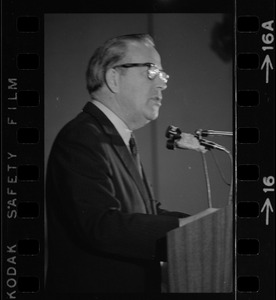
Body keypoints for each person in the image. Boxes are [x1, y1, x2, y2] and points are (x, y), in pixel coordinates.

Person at [45, 33, 205, 294]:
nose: (163, 85)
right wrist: (187, 229)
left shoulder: (117, 138)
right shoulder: (82, 136)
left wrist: (203, 225)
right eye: (152, 72)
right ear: (113, 78)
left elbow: (146, 216)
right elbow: (101, 225)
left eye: (164, 76)